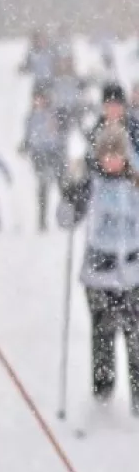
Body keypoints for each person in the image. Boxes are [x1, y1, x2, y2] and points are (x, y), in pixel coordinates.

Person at [58, 122, 139, 423]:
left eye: (118, 154)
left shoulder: (135, 184)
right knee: (103, 335)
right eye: (107, 154)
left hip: (133, 274)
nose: (112, 160)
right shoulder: (90, 185)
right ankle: (102, 396)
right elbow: (65, 221)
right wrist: (68, 197)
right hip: (99, 276)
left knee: (136, 337)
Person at [21, 90, 71, 231]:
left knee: (62, 187)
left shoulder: (54, 114)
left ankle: (66, 218)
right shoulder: (30, 118)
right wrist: (25, 145)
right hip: (39, 155)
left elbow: (62, 133)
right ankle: (42, 220)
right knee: (43, 188)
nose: (38, 102)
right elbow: (28, 136)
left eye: (40, 98)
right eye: (36, 99)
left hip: (54, 154)